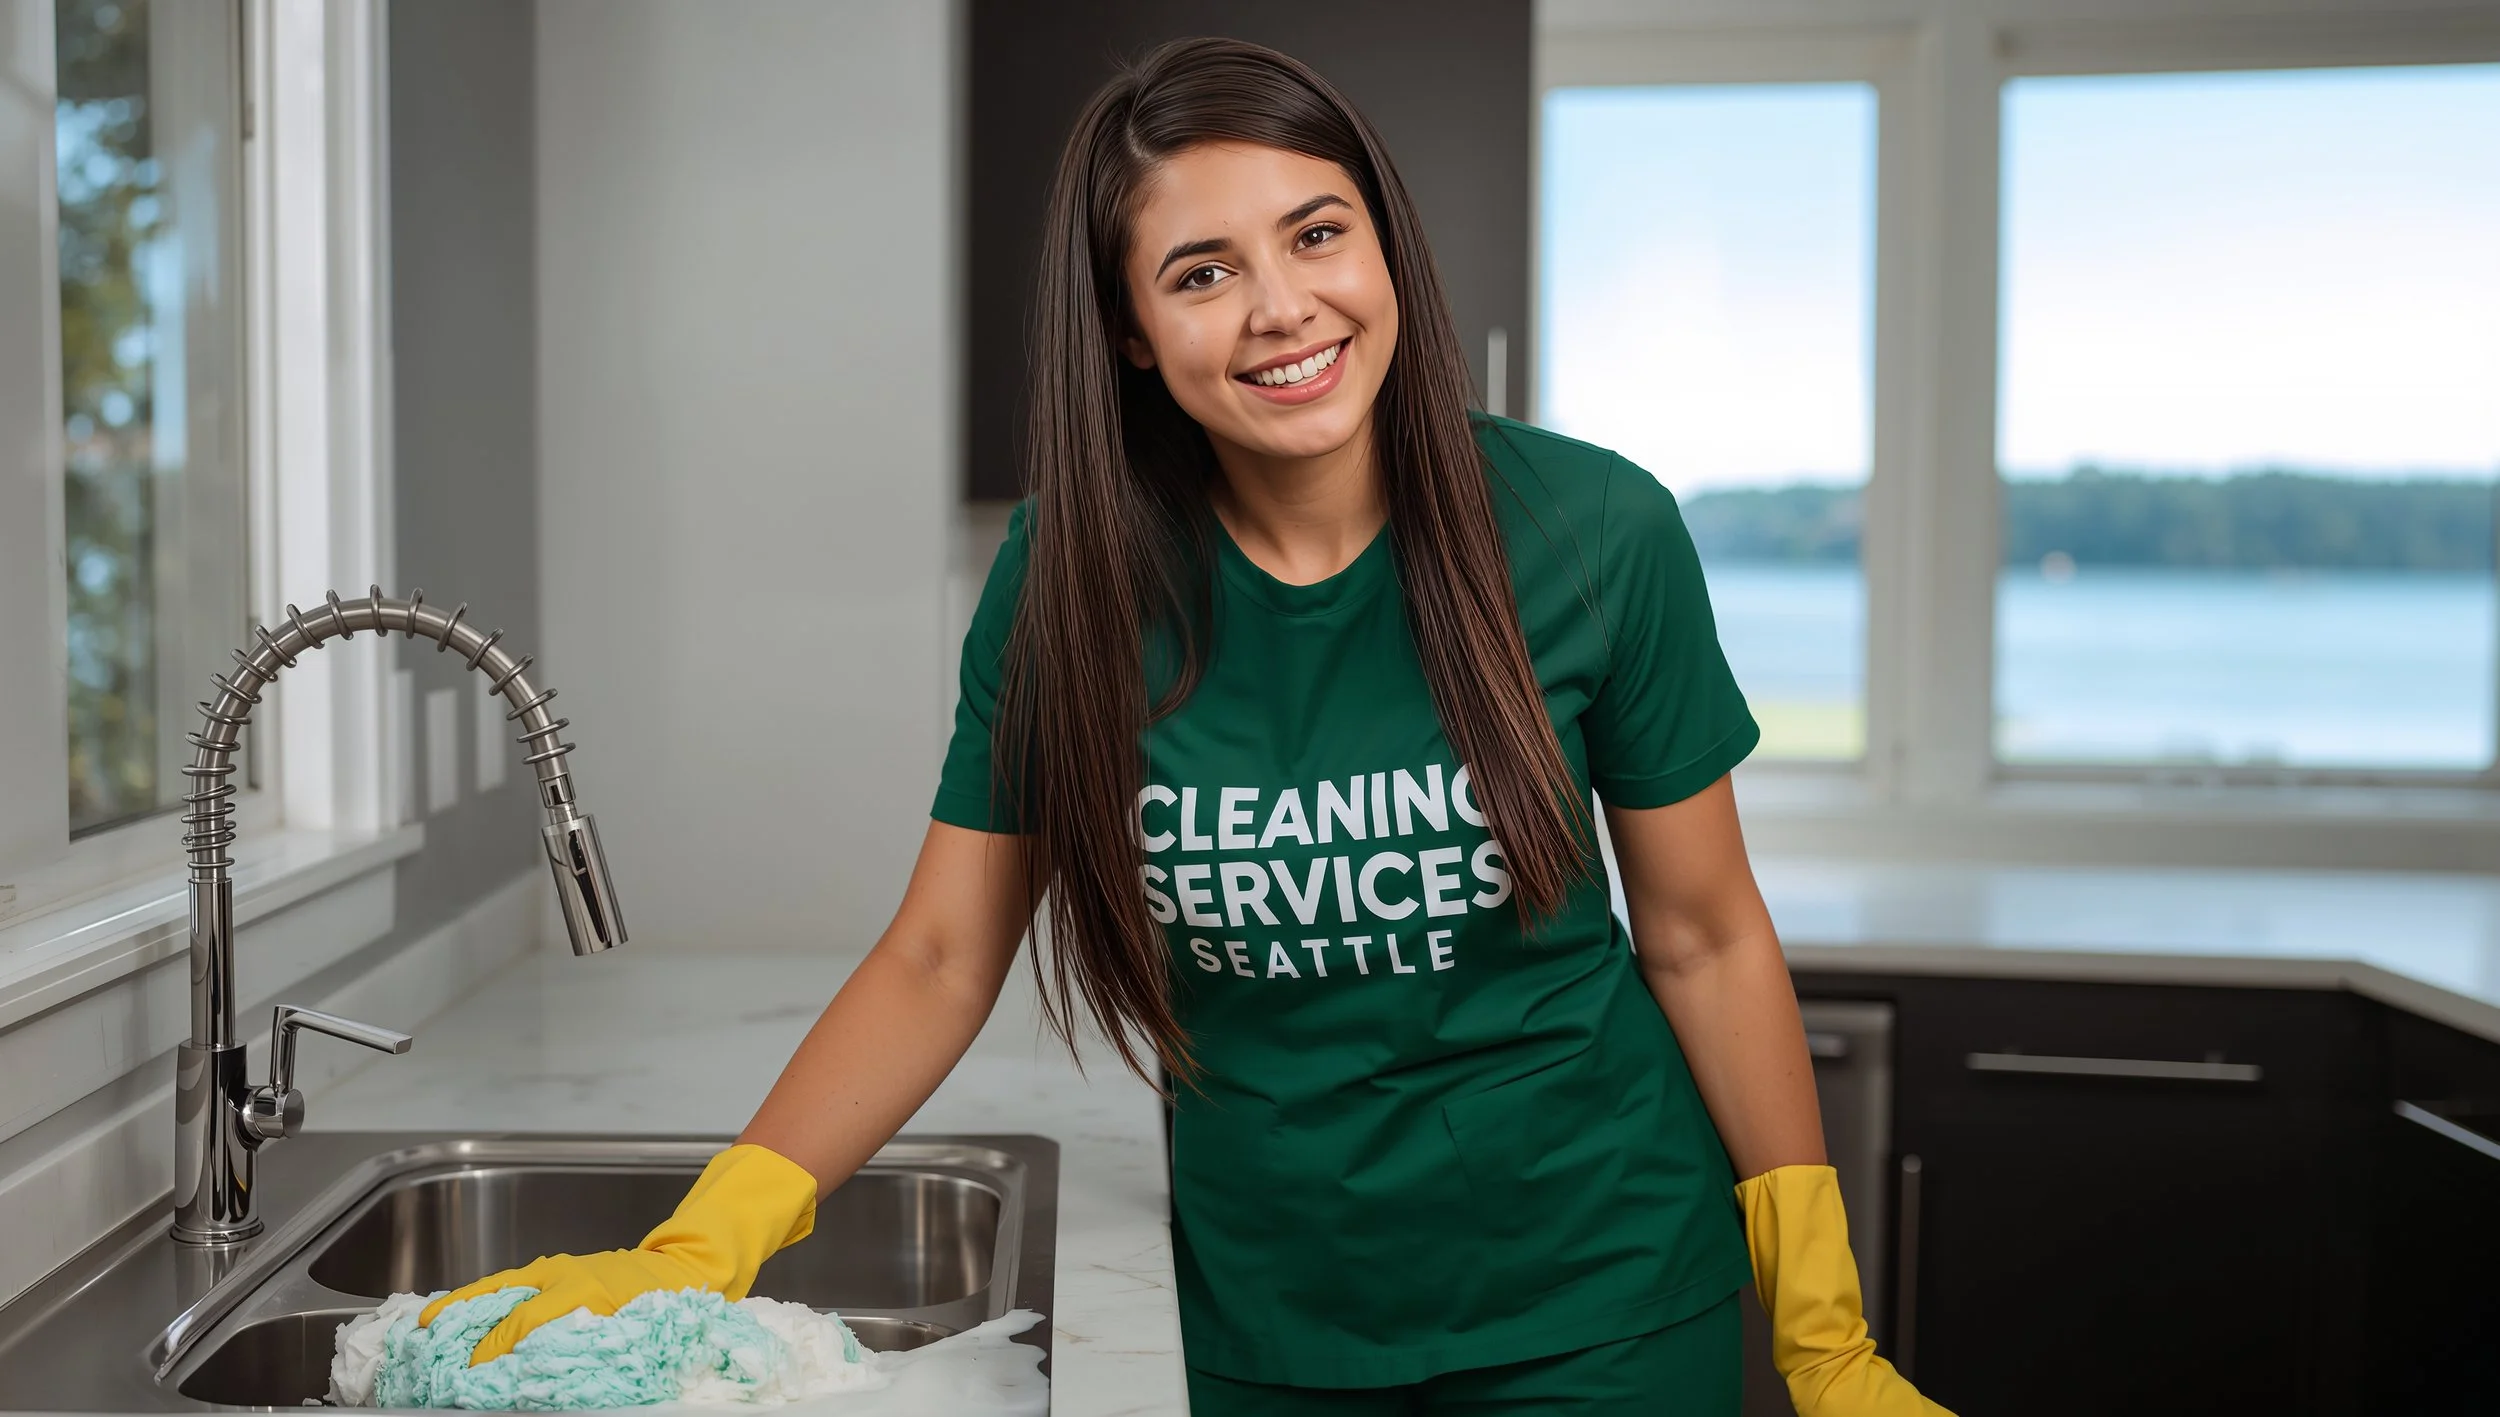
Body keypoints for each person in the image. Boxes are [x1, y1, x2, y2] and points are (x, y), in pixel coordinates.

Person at [417, 37, 1949, 1417]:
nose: (1284, 307)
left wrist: (1821, 1325)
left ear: (1385, 249)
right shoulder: (1069, 580)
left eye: (1317, 235)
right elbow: (944, 955)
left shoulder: (1592, 529)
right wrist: (711, 1237)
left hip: (1601, 1300)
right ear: (1135, 333)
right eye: (1202, 272)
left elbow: (1704, 936)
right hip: (1265, 1314)